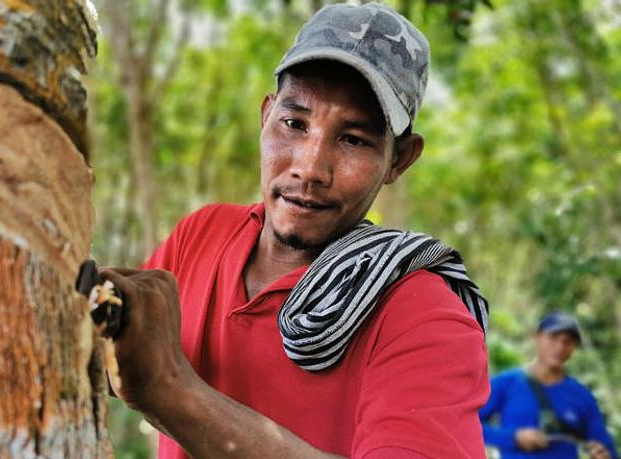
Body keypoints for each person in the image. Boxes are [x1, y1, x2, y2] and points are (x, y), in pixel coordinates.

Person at [99, 3, 491, 458]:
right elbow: (120, 362)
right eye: (295, 123)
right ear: (266, 117)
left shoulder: (424, 317)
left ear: (399, 160)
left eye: (353, 140)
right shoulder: (203, 235)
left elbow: (157, 380)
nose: (310, 168)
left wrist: (170, 390)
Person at [480, 312, 617, 459]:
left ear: (574, 347)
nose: (560, 347)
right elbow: (470, 424)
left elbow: (605, 447)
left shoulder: (582, 396)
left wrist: (602, 454)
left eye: (568, 341)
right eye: (553, 337)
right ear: (537, 337)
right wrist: (514, 438)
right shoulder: (507, 383)